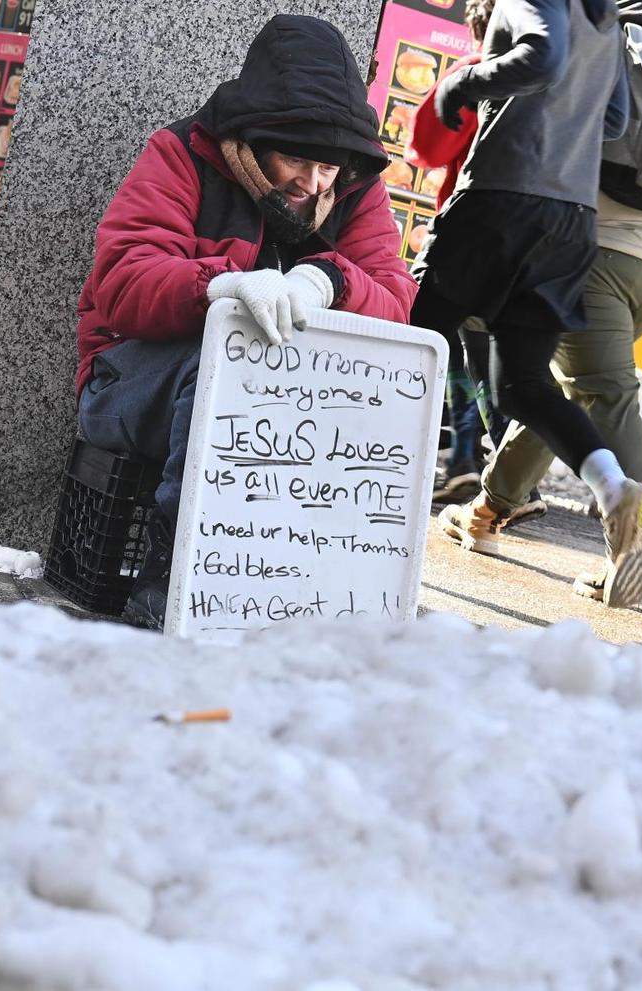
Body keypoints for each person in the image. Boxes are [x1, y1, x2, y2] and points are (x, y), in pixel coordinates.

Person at [73, 14, 415, 630]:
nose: (313, 184)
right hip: (130, 385)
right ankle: (173, 576)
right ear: (252, 140)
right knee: (222, 367)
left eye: (329, 168)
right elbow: (122, 281)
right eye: (295, 160)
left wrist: (331, 280)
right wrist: (217, 287)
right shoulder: (181, 155)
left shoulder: (354, 189)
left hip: (279, 406)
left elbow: (394, 298)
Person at [437, 0, 642, 605]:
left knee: (603, 393)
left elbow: (572, 131)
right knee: (554, 386)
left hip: (594, 248)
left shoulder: (603, 42)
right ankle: (492, 507)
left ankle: (640, 549)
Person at [411, 0, 642, 609]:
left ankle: (350, 497)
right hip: (572, 221)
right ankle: (616, 490)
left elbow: (544, 58)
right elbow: (612, 120)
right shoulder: (607, 18)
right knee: (522, 387)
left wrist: (464, 81)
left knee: (413, 337)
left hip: (501, 200)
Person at [406, 0, 511, 507]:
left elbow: (426, 148)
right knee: (490, 355)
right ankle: (507, 471)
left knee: (433, 335)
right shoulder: (550, 83)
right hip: (528, 241)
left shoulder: (474, 73)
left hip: (466, 233)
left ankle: (463, 457)